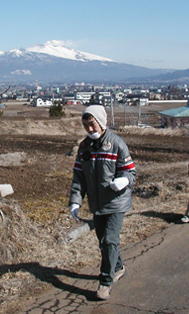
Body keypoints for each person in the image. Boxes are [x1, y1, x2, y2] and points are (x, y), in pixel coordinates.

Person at [69, 105, 136, 300]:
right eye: (85, 126)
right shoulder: (84, 147)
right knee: (104, 242)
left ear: (101, 121)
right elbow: (79, 176)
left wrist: (123, 181)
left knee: (109, 240)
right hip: (97, 204)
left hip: (116, 203)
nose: (89, 129)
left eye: (92, 124)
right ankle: (118, 266)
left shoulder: (117, 144)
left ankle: (105, 282)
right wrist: (75, 201)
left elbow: (131, 172)